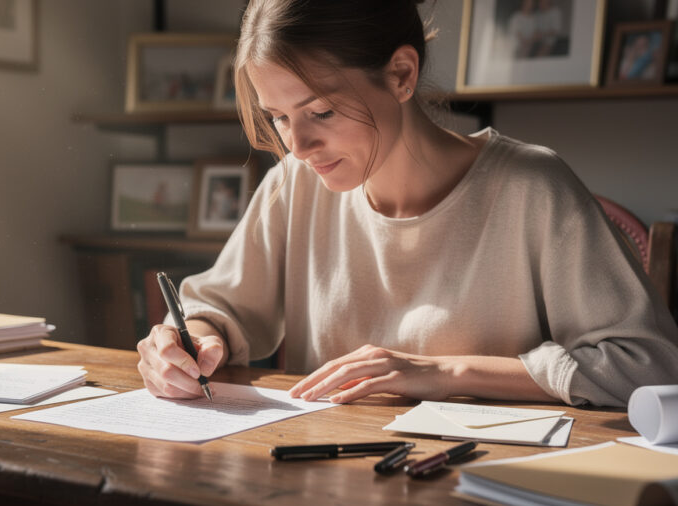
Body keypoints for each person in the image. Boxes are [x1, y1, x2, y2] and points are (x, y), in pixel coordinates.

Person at [137, 0, 678, 408]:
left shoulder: (532, 188)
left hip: (482, 495)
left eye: (320, 112)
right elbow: (220, 310)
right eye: (279, 117)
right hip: (318, 486)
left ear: (401, 74)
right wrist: (189, 346)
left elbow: (651, 368)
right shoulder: (295, 185)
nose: (296, 147)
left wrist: (445, 373)